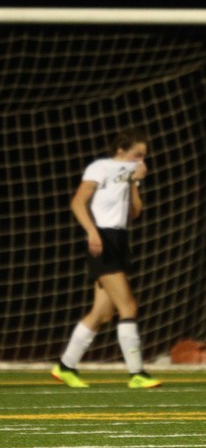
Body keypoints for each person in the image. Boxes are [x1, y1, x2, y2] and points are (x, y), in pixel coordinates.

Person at [51, 128, 162, 389]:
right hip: (102, 239)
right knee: (128, 307)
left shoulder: (129, 176)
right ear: (120, 151)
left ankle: (65, 366)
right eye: (137, 154)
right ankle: (137, 373)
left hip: (119, 240)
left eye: (143, 156)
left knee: (101, 314)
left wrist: (135, 183)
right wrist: (92, 233)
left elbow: (134, 213)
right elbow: (78, 202)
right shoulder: (101, 167)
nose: (140, 160)